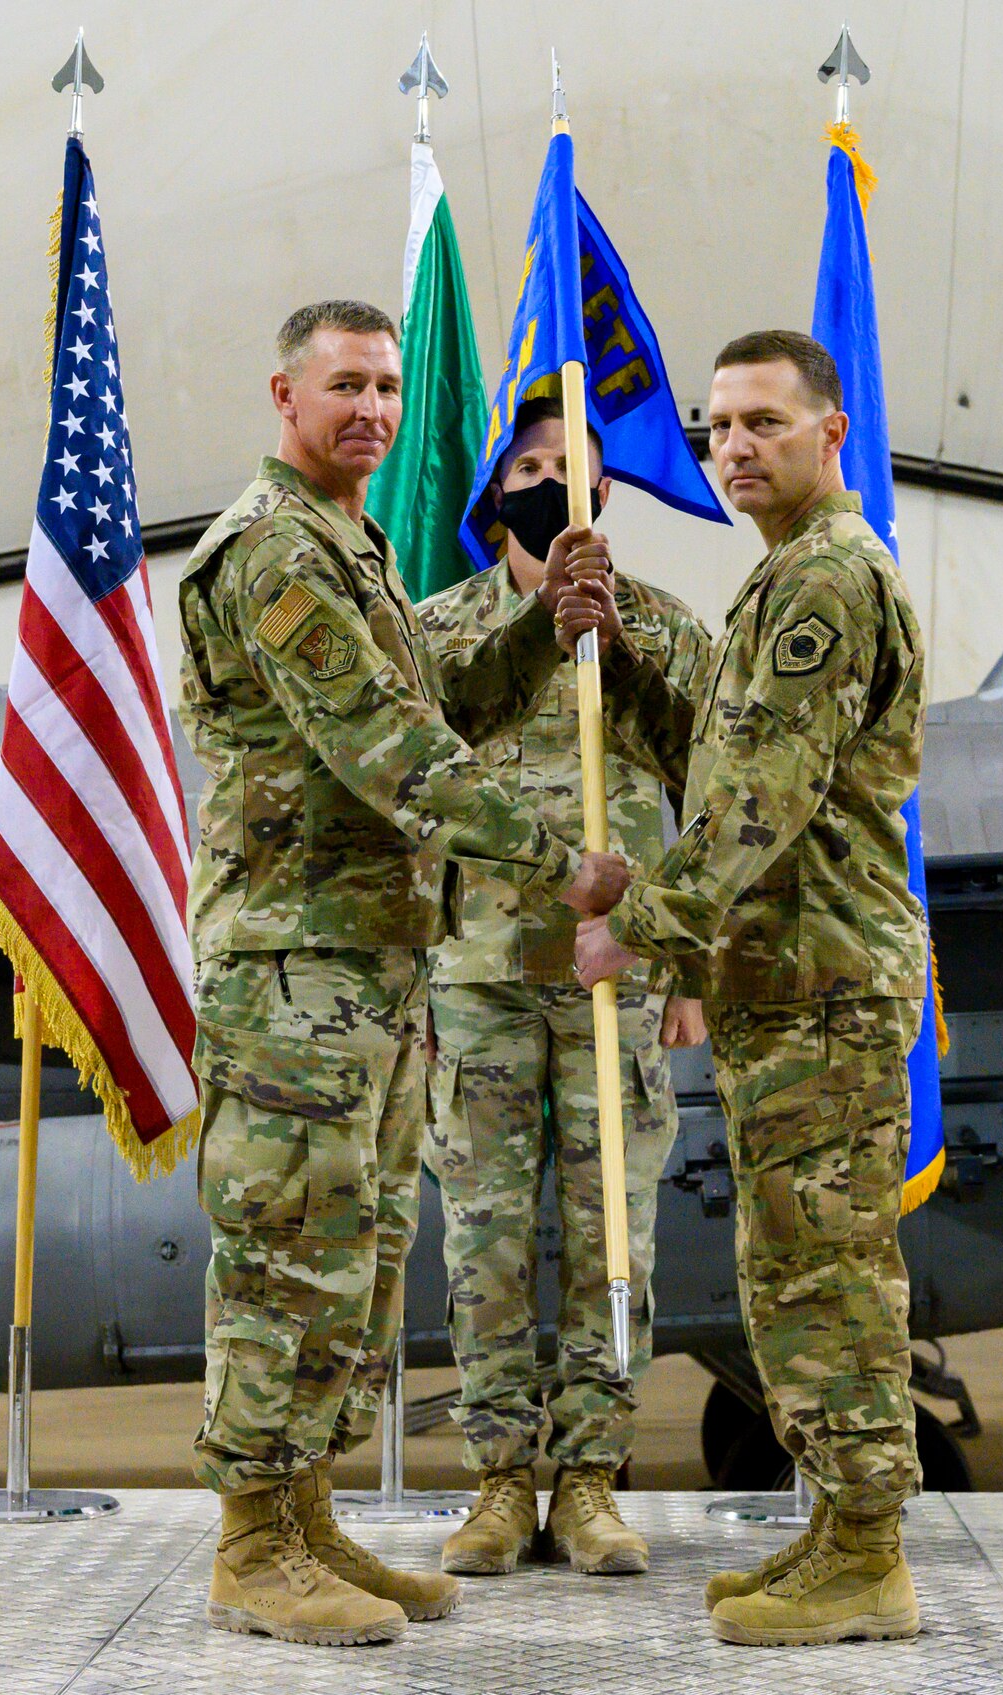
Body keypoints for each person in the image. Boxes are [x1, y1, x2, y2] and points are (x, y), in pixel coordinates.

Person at [176, 299, 629, 1648]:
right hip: (292, 963)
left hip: (370, 962)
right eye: (347, 387)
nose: (373, 409)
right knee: (283, 1257)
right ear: (284, 394)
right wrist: (561, 860)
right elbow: (387, 749)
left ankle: (308, 1516)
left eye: (386, 386)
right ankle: (251, 1542)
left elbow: (430, 699)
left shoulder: (350, 542)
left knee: (357, 1256)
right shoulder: (271, 551)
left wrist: (540, 621)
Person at [573, 329, 930, 1647]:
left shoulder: (826, 583)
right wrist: (630, 659)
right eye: (718, 425)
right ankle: (839, 1530)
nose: (733, 447)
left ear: (833, 433)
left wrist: (642, 933)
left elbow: (760, 808)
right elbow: (735, 761)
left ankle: (870, 1555)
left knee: (828, 1276)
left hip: (826, 981)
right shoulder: (781, 582)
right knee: (794, 1270)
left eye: (764, 422)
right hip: (791, 983)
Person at [415, 396, 712, 1580]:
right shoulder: (433, 630)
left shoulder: (667, 628)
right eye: (529, 465)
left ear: (607, 490)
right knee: (484, 1237)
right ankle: (497, 1481)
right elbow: (403, 795)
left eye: (571, 465)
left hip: (615, 978)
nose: (551, 481)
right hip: (476, 975)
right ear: (494, 494)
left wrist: (680, 963)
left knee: (610, 1234)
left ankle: (589, 1479)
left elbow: (709, 788)